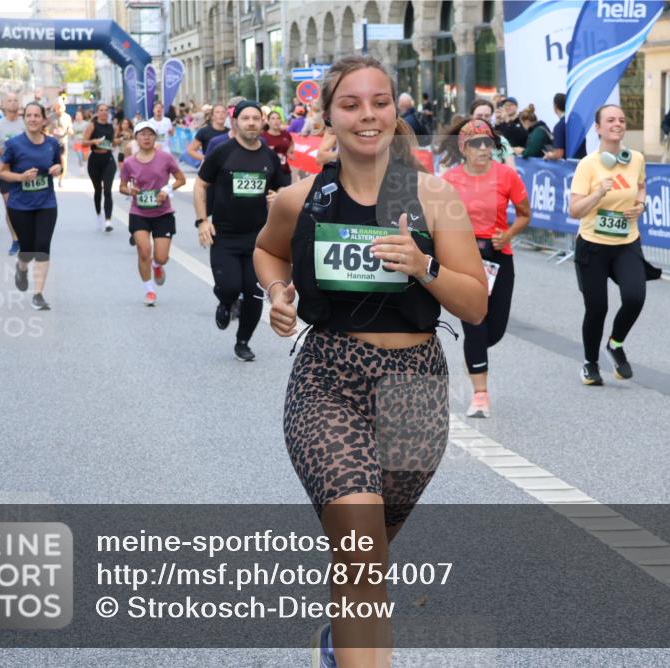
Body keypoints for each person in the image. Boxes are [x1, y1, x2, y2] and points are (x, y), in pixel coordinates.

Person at [253, 54, 486, 667]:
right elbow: (268, 253)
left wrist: (423, 266)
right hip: (329, 379)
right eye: (351, 104)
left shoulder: (436, 198)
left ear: (395, 109)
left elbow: (477, 304)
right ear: (327, 115)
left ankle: (337, 639)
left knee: (367, 554)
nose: (367, 115)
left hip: (415, 387)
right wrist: (278, 294)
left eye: (379, 102)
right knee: (360, 550)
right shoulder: (299, 198)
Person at [442, 120, 531, 418]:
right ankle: (480, 394)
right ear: (463, 148)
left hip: (498, 257)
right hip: (464, 258)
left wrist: (508, 234)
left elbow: (524, 215)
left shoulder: (507, 176)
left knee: (495, 329)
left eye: (487, 143)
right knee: (475, 325)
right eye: (476, 143)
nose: (482, 149)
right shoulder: (450, 179)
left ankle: (475, 353)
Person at [569, 104, 656, 386]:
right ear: (598, 128)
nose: (617, 124)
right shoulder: (588, 165)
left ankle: (615, 344)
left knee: (635, 297)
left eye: (620, 119)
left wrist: (640, 204)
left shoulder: (637, 159)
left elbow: (641, 186)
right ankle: (590, 363)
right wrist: (598, 193)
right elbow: (575, 211)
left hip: (626, 242)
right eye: (610, 120)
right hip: (592, 244)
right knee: (597, 308)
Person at [193, 100, 283, 361]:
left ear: (262, 123)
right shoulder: (222, 152)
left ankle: (243, 342)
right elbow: (200, 185)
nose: (251, 123)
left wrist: (277, 197)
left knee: (254, 294)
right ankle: (226, 301)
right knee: (230, 286)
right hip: (225, 235)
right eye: (246, 118)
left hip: (258, 238)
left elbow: (281, 190)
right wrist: (202, 221)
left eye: (256, 118)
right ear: (236, 122)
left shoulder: (269, 156)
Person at [0, 101, 62, 311]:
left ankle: (38, 294)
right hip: (20, 205)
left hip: (46, 203)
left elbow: (58, 164)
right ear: (24, 119)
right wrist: (20, 177)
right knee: (27, 249)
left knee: (42, 246)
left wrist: (56, 169)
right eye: (29, 115)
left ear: (44, 119)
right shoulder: (14, 144)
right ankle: (22, 267)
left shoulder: (52, 143)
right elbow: (2, 172)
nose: (33, 119)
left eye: (37, 115)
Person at [119, 120, 186, 306]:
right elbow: (122, 187)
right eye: (142, 134)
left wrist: (167, 190)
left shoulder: (165, 158)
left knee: (161, 257)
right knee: (143, 251)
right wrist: (130, 191)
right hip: (139, 213)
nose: (146, 138)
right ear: (136, 138)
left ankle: (157, 266)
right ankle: (149, 290)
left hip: (163, 213)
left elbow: (181, 179)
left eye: (150, 134)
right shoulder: (130, 162)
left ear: (155, 137)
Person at [0, 92, 27, 254]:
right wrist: (1, 151)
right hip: (5, 171)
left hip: (25, 170)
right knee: (11, 206)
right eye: (9, 100)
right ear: (3, 104)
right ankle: (16, 239)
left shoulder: (25, 123)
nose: (13, 103)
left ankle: (26, 237)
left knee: (27, 206)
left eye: (16, 100)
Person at [82, 103, 119, 231]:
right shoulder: (92, 125)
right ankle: (98, 215)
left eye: (106, 110)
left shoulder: (111, 126)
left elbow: (112, 142)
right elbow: (83, 142)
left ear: (108, 113)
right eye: (101, 110)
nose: (104, 112)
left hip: (108, 160)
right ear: (97, 112)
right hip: (95, 161)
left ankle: (108, 221)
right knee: (98, 190)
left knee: (107, 190)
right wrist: (94, 141)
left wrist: (117, 141)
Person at [469, 100, 516, 167]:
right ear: (471, 117)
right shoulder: (461, 139)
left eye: (487, 116)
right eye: (479, 116)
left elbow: (512, 170)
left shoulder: (501, 140)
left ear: (491, 117)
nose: (483, 119)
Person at [262, 109, 294, 187]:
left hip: (284, 171)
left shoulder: (285, 134)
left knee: (285, 197)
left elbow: (292, 142)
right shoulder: (263, 137)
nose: (276, 121)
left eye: (278, 118)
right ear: (268, 121)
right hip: (269, 173)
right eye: (273, 118)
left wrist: (289, 152)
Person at [49, 100, 73, 186]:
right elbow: (46, 128)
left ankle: (61, 179)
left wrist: (68, 131)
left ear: (64, 108)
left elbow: (70, 129)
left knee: (63, 160)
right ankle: (51, 177)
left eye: (60, 107)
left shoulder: (67, 117)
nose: (58, 109)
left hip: (63, 141)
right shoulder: (51, 117)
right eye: (56, 107)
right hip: (52, 142)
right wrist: (49, 133)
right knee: (50, 161)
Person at [543, 92, 567, 161]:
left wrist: (549, 155)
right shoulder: (576, 121)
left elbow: (559, 154)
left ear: (555, 106)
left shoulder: (559, 126)